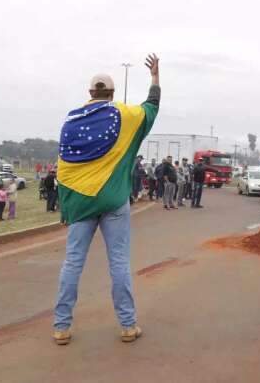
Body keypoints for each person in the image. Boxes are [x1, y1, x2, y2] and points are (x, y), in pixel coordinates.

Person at [53, 53, 160, 345]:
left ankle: (61, 327)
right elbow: (151, 107)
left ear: (90, 93)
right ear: (111, 94)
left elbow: (64, 168)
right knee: (119, 263)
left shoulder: (71, 121)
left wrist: (66, 206)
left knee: (73, 263)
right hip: (113, 201)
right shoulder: (124, 115)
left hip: (81, 204)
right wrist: (154, 77)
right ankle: (127, 326)